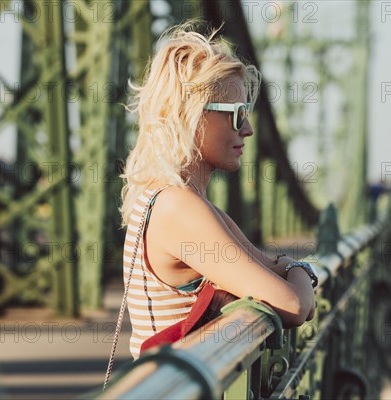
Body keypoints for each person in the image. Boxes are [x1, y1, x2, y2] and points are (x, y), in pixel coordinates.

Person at [119, 23, 316, 359]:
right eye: (238, 115)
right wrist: (302, 270)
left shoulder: (184, 201)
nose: (249, 129)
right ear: (194, 117)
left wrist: (288, 269)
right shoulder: (178, 208)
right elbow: (294, 304)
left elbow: (270, 269)